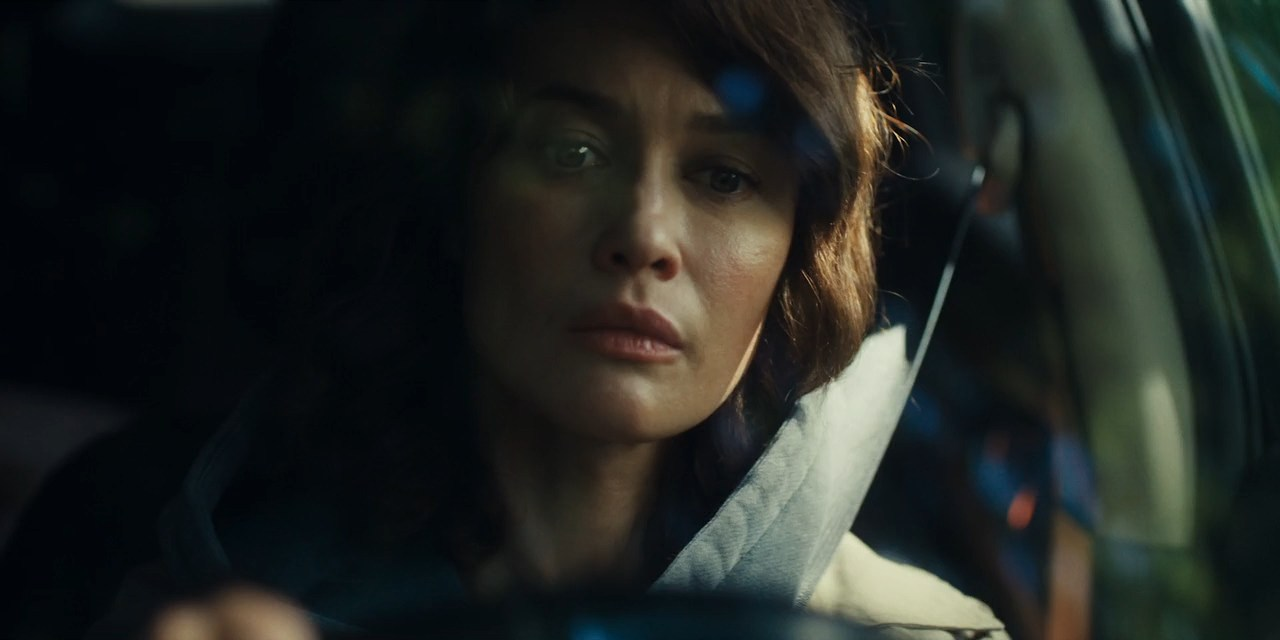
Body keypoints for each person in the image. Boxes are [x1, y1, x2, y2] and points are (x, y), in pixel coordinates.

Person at [67, 0, 1009, 637]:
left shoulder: (918, 633)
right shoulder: (197, 605)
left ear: (797, 254)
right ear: (458, 199)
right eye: (572, 152)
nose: (644, 235)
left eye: (724, 176)